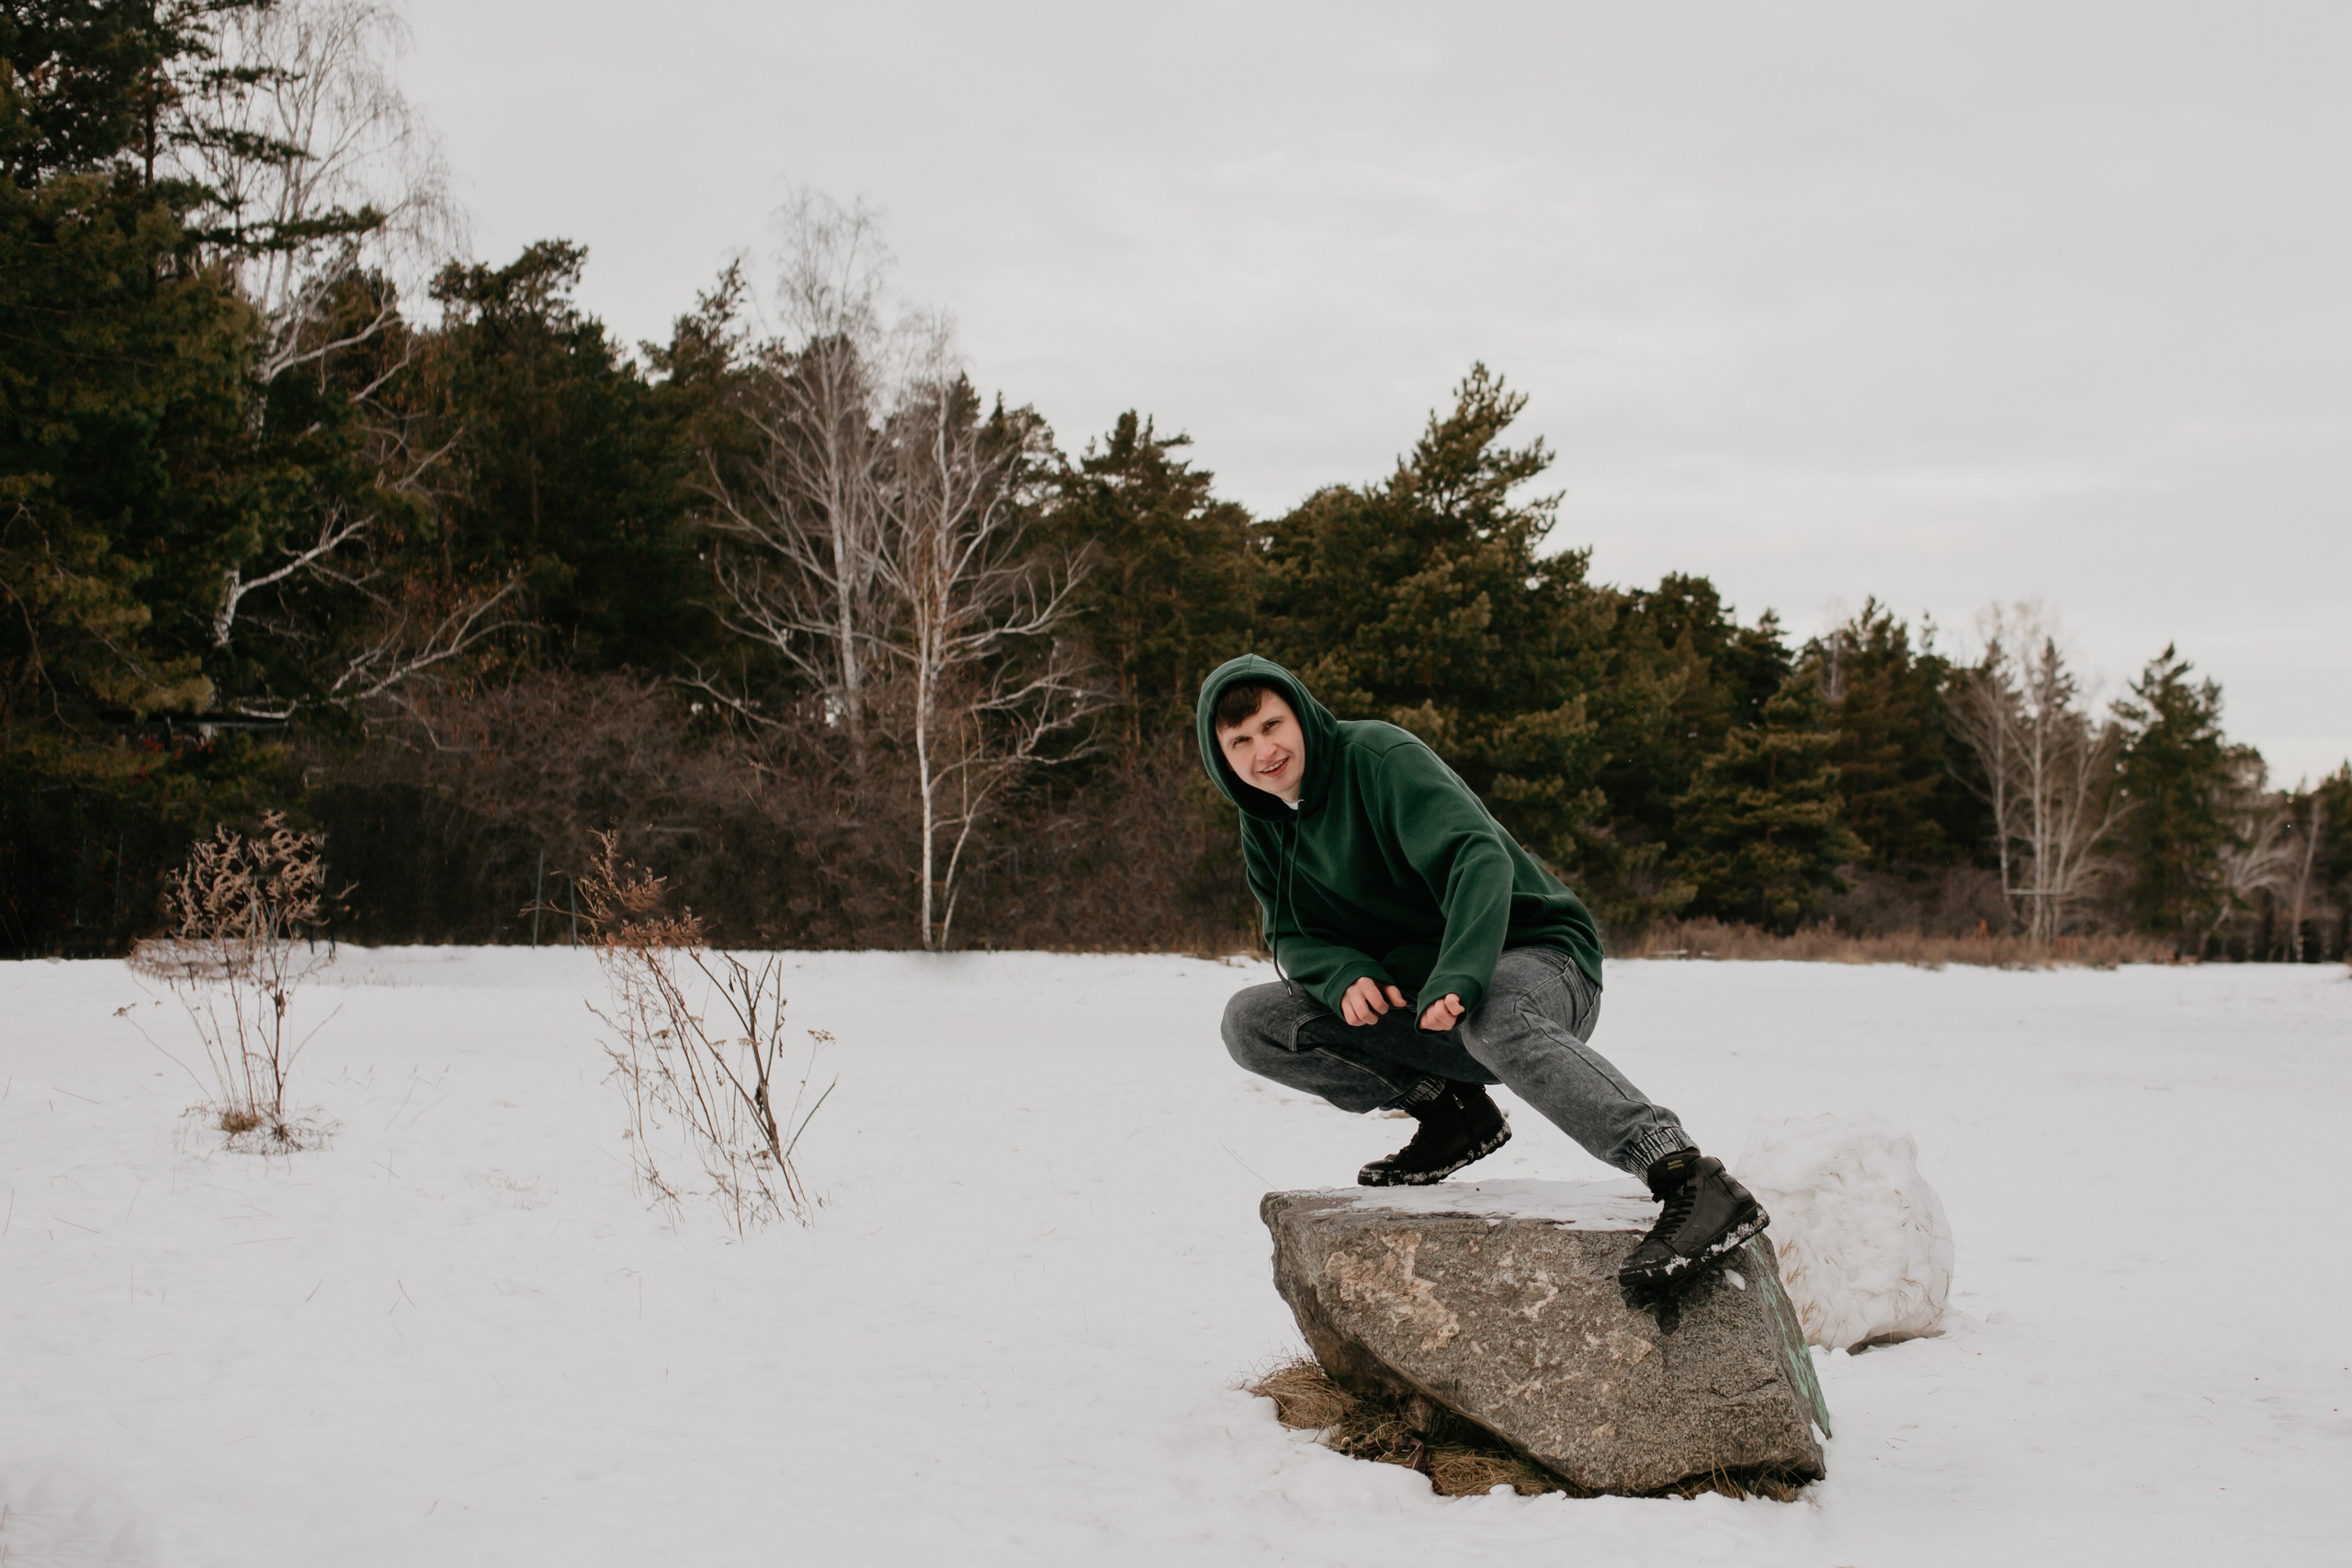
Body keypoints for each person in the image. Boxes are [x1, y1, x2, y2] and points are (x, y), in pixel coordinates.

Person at [1197, 653, 1766, 1296]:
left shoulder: (1378, 758)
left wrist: (1460, 972)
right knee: (1254, 1021)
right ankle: (1453, 1116)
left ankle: (1688, 1176)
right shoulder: (1263, 822)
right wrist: (1342, 974)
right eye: (1240, 741)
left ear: (1300, 715)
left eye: (1272, 725)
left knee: (1494, 1016)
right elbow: (1290, 931)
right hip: (1429, 1000)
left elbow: (1477, 858)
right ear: (1222, 756)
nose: (1264, 751)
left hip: (1539, 955)